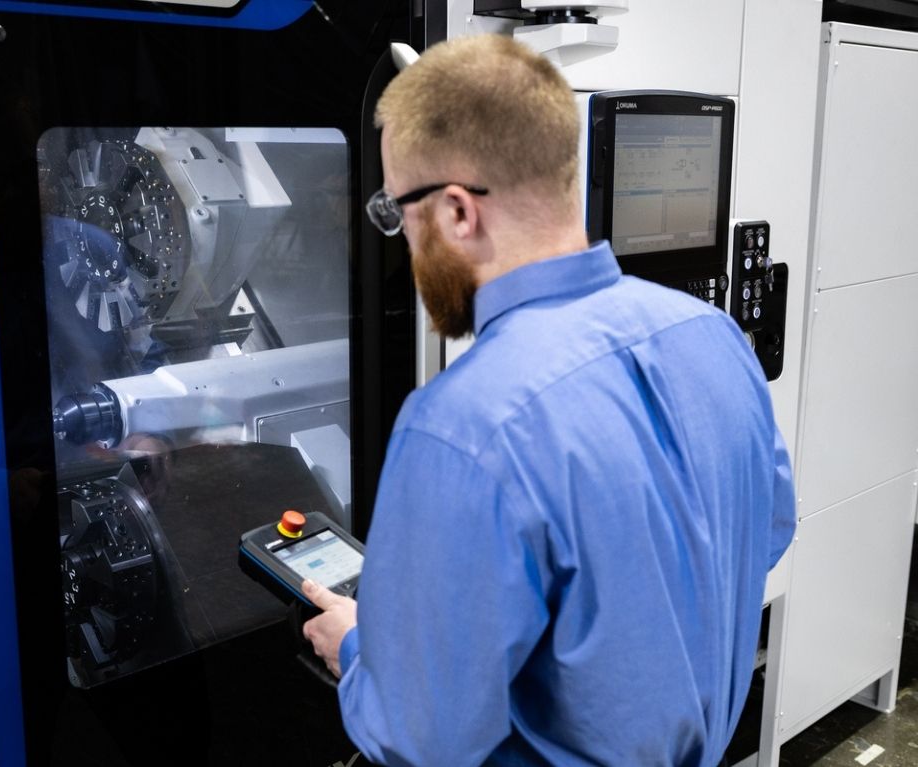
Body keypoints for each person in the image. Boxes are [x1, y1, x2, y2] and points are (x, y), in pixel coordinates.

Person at [302, 34, 796, 767]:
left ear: (459, 212)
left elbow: (422, 736)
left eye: (399, 210)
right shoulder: (713, 336)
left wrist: (357, 646)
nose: (403, 240)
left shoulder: (461, 429)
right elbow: (769, 532)